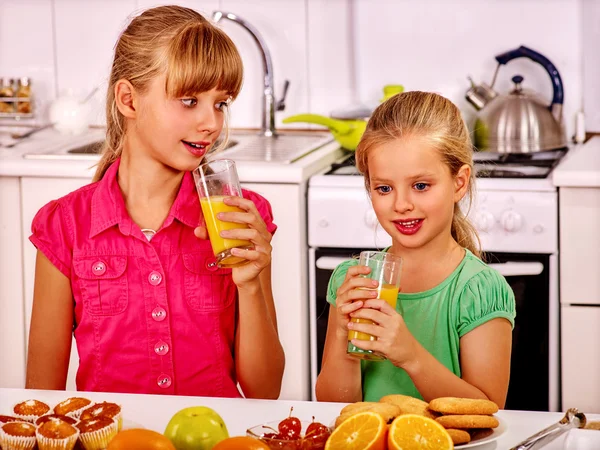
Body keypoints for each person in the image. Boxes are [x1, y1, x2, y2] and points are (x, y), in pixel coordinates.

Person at [26, 5, 285, 399]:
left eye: (220, 103)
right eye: (188, 100)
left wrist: (250, 287)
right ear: (129, 100)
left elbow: (265, 390)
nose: (211, 123)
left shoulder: (242, 217)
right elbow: (41, 398)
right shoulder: (65, 225)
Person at [315, 91, 515, 408]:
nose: (402, 205)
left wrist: (410, 355)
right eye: (384, 188)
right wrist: (342, 329)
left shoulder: (478, 290)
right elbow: (332, 403)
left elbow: (487, 412)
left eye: (421, 186)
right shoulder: (353, 281)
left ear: (459, 183)